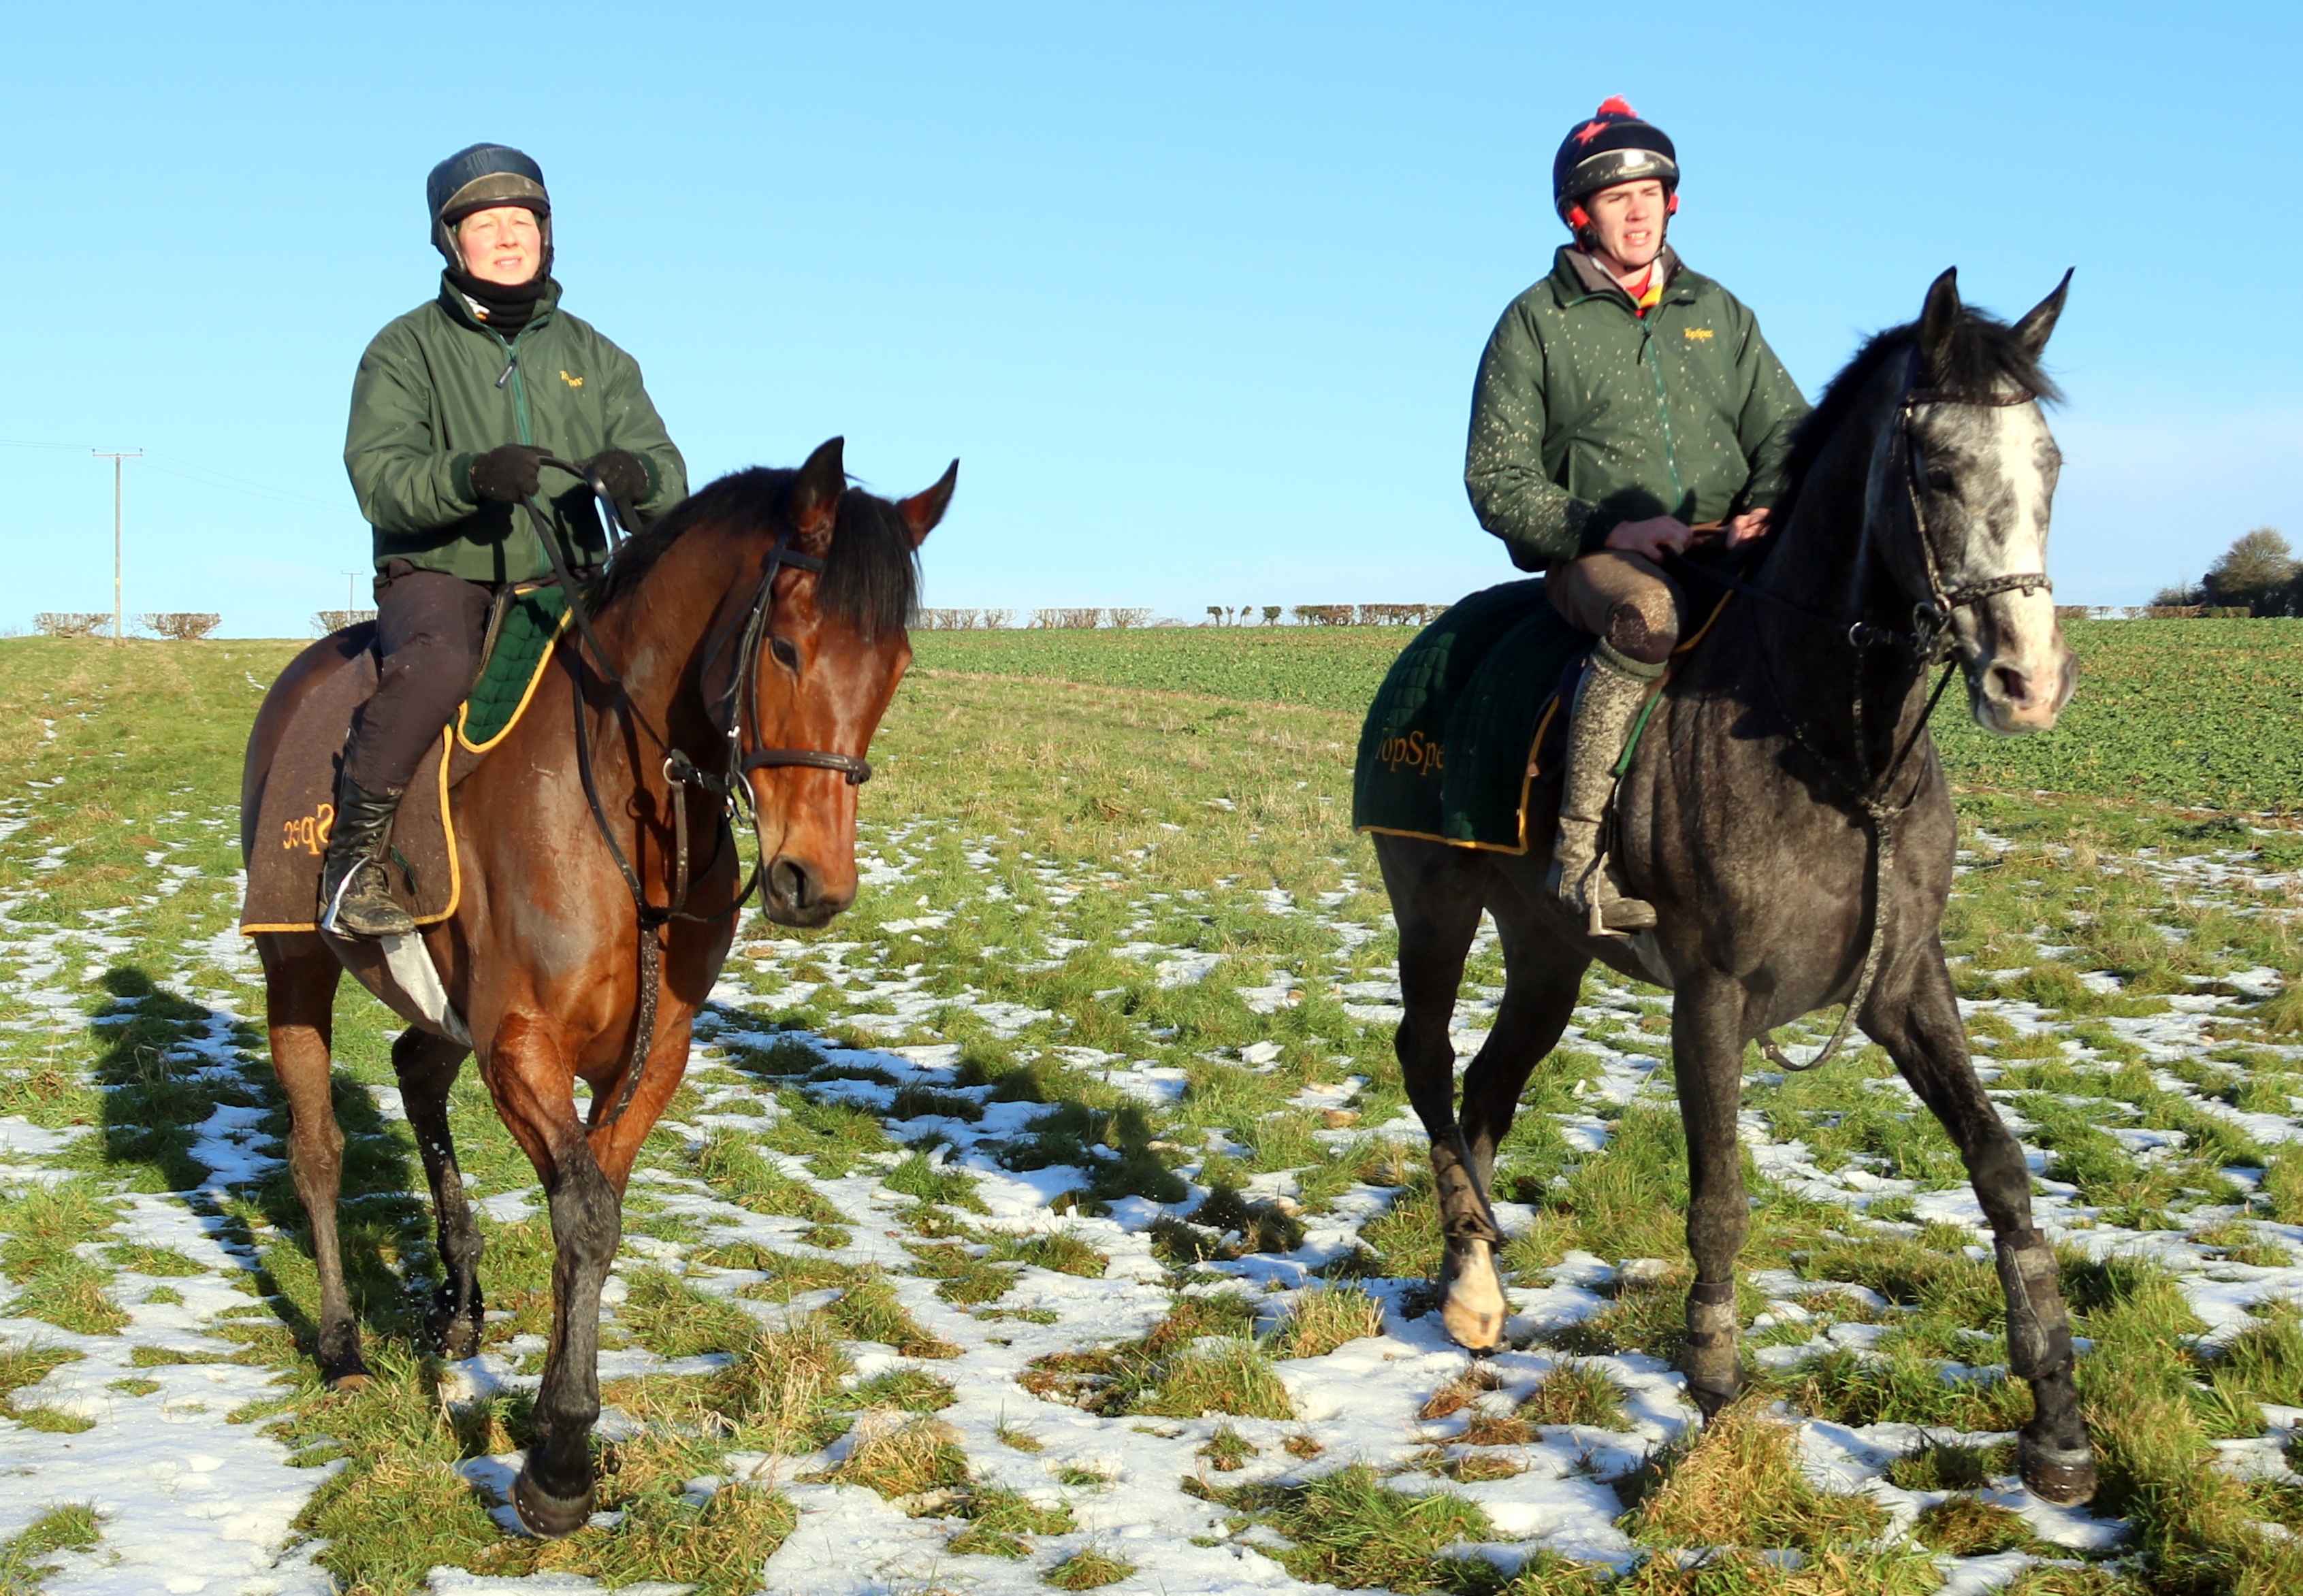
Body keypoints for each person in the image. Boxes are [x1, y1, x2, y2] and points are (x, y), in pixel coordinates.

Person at [325, 143, 688, 937]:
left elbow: (668, 478)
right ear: (451, 242)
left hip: (577, 576)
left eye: (520, 221)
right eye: (485, 225)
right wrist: (469, 477)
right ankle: (353, 865)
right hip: (444, 574)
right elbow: (378, 477)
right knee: (438, 664)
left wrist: (639, 478)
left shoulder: (598, 356)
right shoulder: (404, 348)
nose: (506, 237)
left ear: (546, 235)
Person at [1464, 97, 1808, 934]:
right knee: (1647, 615)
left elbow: (1789, 430)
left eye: (1650, 194)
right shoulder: (1533, 322)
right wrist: (1605, 529)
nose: (1638, 212)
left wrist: (1768, 503)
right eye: (1617, 198)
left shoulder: (1718, 311)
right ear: (1579, 214)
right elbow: (1494, 479)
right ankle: (1579, 859)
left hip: (1726, 546)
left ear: (1670, 202)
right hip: (1599, 557)